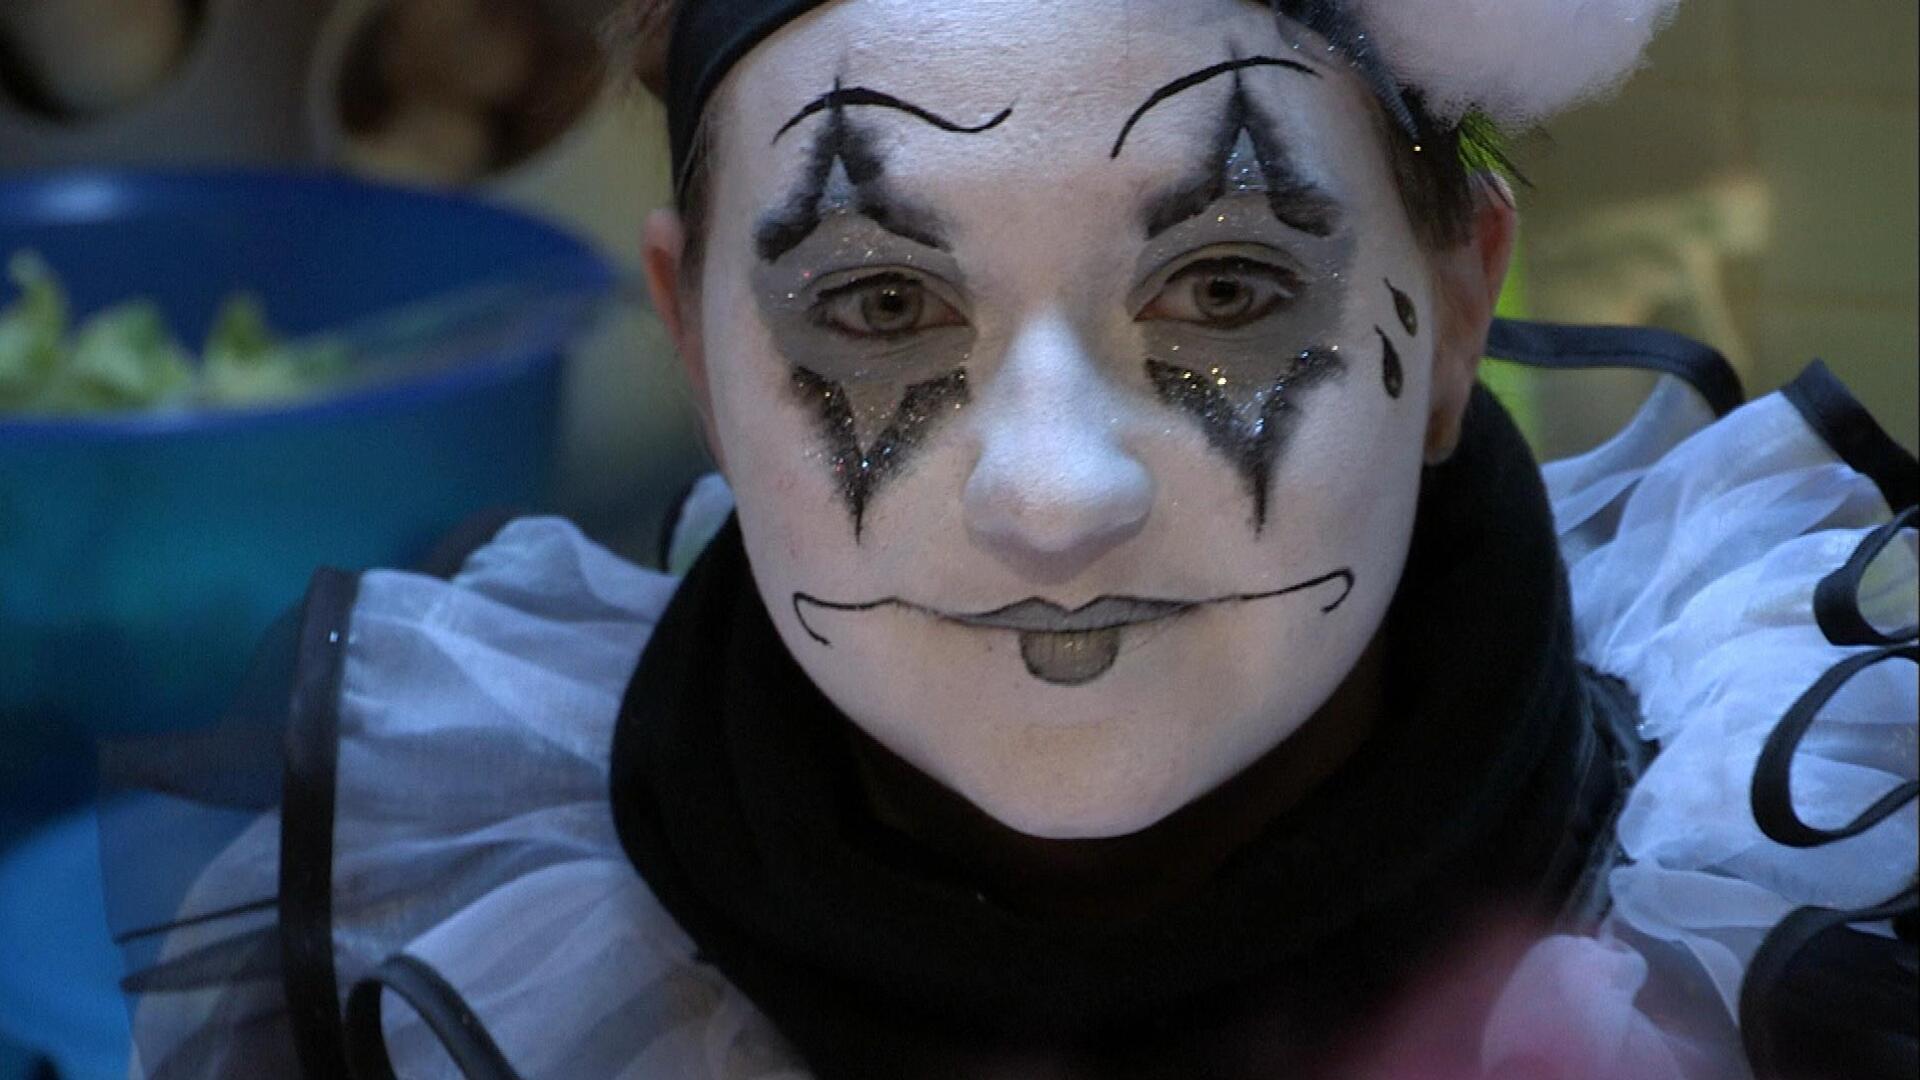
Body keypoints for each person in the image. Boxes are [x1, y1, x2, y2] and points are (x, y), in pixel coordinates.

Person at [108, 1, 1917, 1077]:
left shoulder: (1801, 904)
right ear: (696, 351)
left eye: (1223, 285)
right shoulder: (448, 961)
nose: (1053, 499)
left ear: (1452, 317)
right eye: (879, 306)